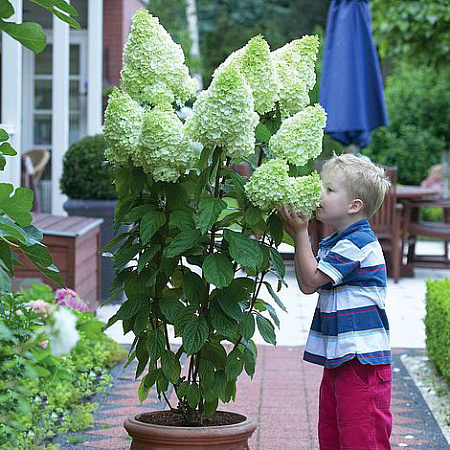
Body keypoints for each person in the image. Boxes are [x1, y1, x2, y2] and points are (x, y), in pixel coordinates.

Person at [278, 153, 392, 450]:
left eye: (329, 190)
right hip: (341, 358)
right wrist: (298, 233)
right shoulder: (339, 242)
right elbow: (306, 284)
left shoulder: (359, 242)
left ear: (354, 206)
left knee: (362, 438)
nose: (319, 194)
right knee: (332, 434)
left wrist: (301, 233)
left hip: (361, 361)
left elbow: (312, 279)